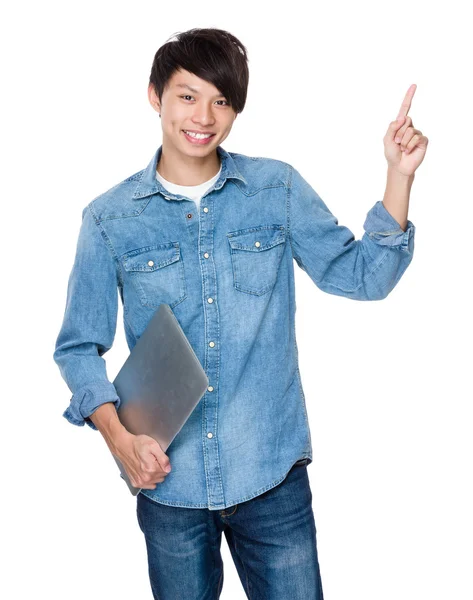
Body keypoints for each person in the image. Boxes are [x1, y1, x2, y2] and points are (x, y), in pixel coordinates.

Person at [53, 27, 427, 600]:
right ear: (155, 95)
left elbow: (362, 277)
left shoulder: (274, 188)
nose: (204, 115)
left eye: (221, 100)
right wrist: (118, 439)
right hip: (169, 490)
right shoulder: (109, 219)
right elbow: (79, 347)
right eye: (187, 95)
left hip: (271, 478)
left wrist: (398, 177)